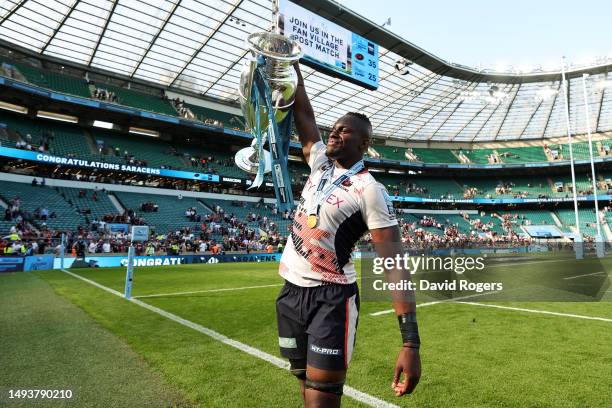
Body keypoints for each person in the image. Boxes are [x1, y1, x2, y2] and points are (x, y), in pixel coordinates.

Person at [275, 63, 421, 407]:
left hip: (332, 300)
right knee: (304, 385)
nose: (336, 133)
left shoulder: (370, 190)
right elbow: (306, 116)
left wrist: (410, 343)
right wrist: (293, 67)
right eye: (335, 127)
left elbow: (395, 264)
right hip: (290, 294)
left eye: (346, 131)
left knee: (322, 397)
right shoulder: (320, 162)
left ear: (365, 143)